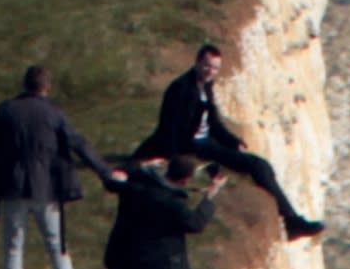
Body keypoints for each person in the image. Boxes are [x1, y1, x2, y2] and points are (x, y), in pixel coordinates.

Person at [132, 44, 324, 240]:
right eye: (207, 66)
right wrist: (176, 158)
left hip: (205, 142)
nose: (210, 71)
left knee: (261, 166)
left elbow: (213, 122)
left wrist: (233, 141)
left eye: (215, 68)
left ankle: (291, 220)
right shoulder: (181, 89)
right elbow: (169, 128)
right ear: (197, 62)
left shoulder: (205, 86)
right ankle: (292, 222)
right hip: (196, 146)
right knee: (258, 166)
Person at [0, 66, 122, 269]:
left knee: (13, 250)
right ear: (47, 87)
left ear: (25, 85)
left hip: (13, 189)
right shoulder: (53, 112)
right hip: (46, 190)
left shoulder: (6, 111)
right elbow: (78, 144)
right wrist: (106, 172)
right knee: (58, 248)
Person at [103, 156, 227, 269]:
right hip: (149, 267)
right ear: (185, 180)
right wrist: (209, 196)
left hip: (118, 256)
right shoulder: (171, 203)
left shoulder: (136, 184)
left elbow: (114, 176)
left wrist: (143, 164)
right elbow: (195, 224)